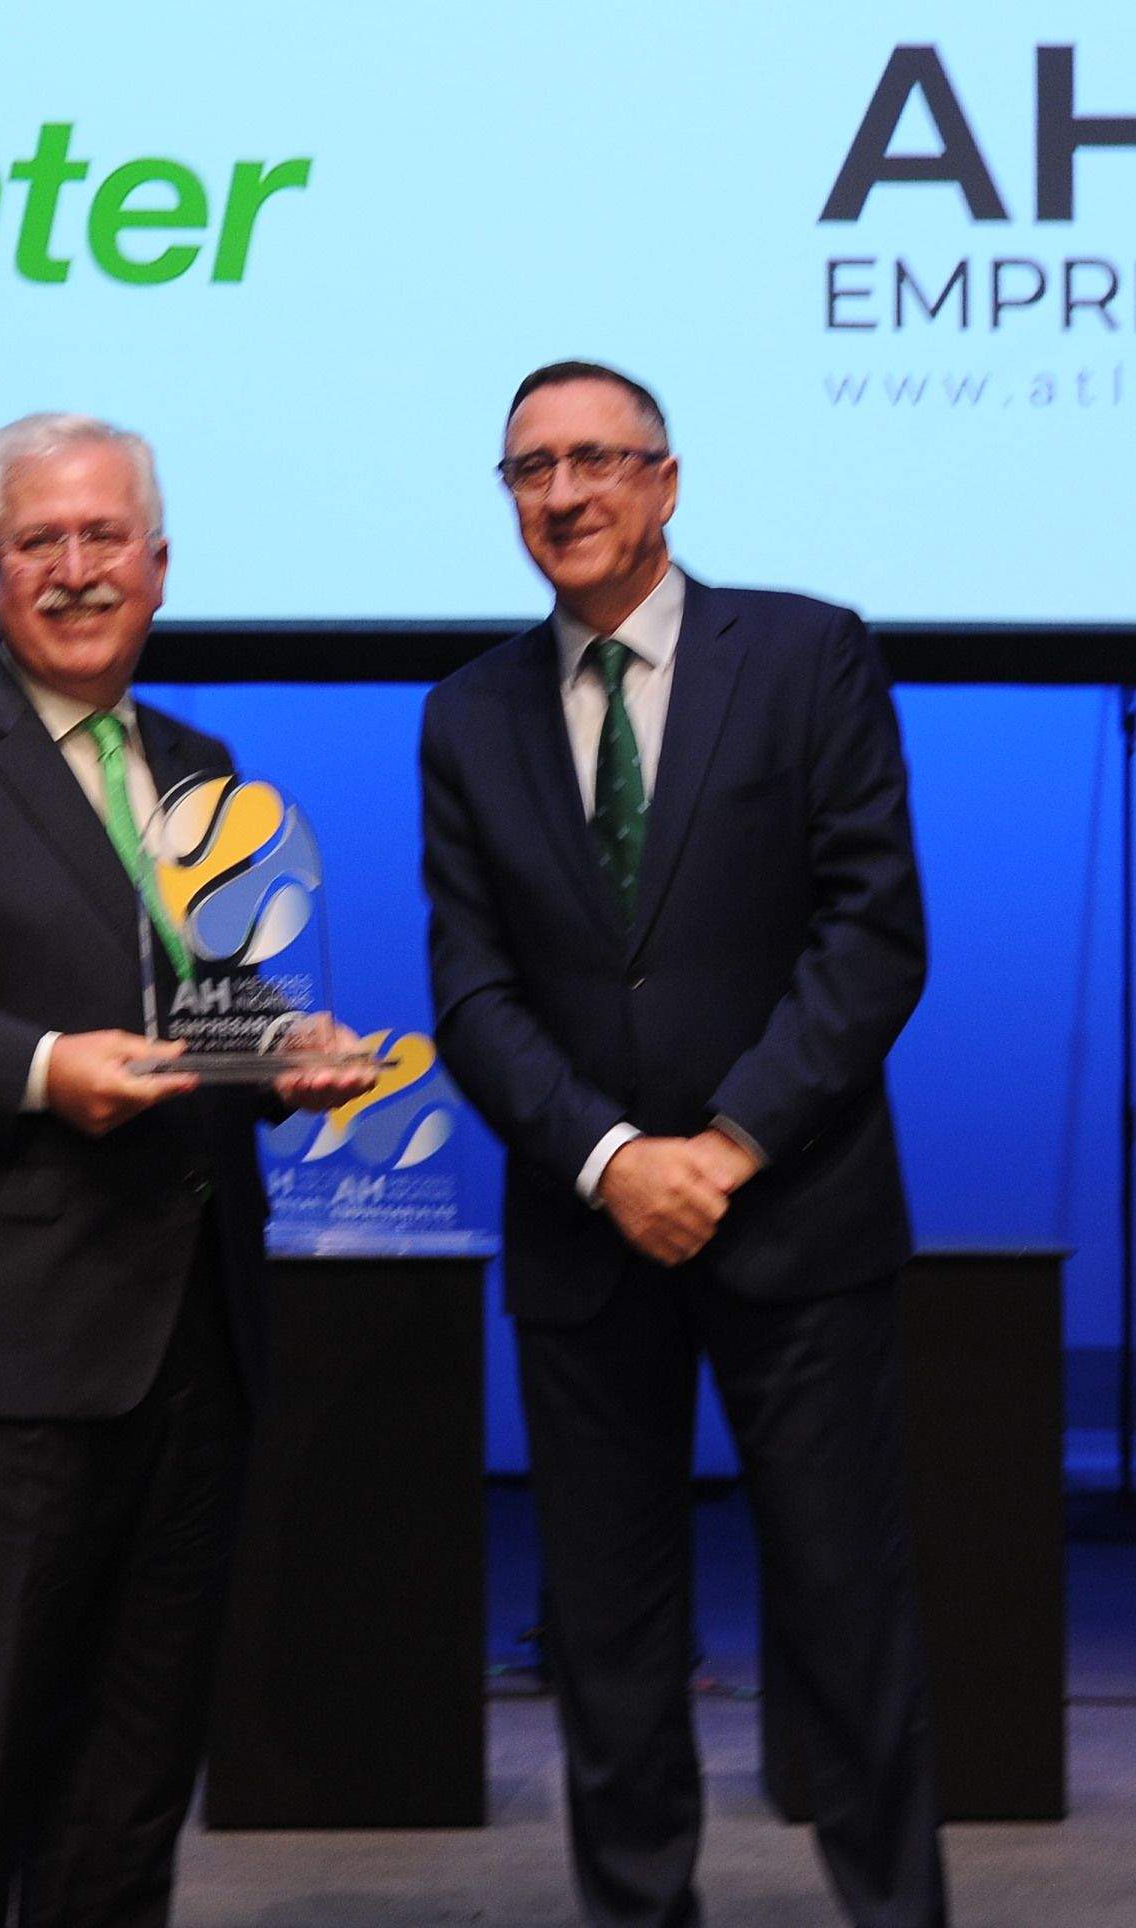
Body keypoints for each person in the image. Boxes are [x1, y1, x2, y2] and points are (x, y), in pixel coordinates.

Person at [0, 412, 373, 1928]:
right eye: (42, 541)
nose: (78, 568)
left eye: (106, 537)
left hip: (191, 1352)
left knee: (131, 1782)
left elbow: (184, 1004)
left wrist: (277, 1057)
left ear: (161, 566)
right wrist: (44, 1071)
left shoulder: (198, 767)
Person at [420, 362, 948, 1927]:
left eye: (595, 461)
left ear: (664, 482)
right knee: (610, 1628)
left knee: (849, 1611)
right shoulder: (465, 715)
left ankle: (895, 1909)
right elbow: (473, 994)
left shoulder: (806, 653)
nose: (563, 495)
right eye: (529, 471)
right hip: (589, 1241)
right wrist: (609, 1162)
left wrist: (722, 1147)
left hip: (798, 1218)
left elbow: (875, 937)